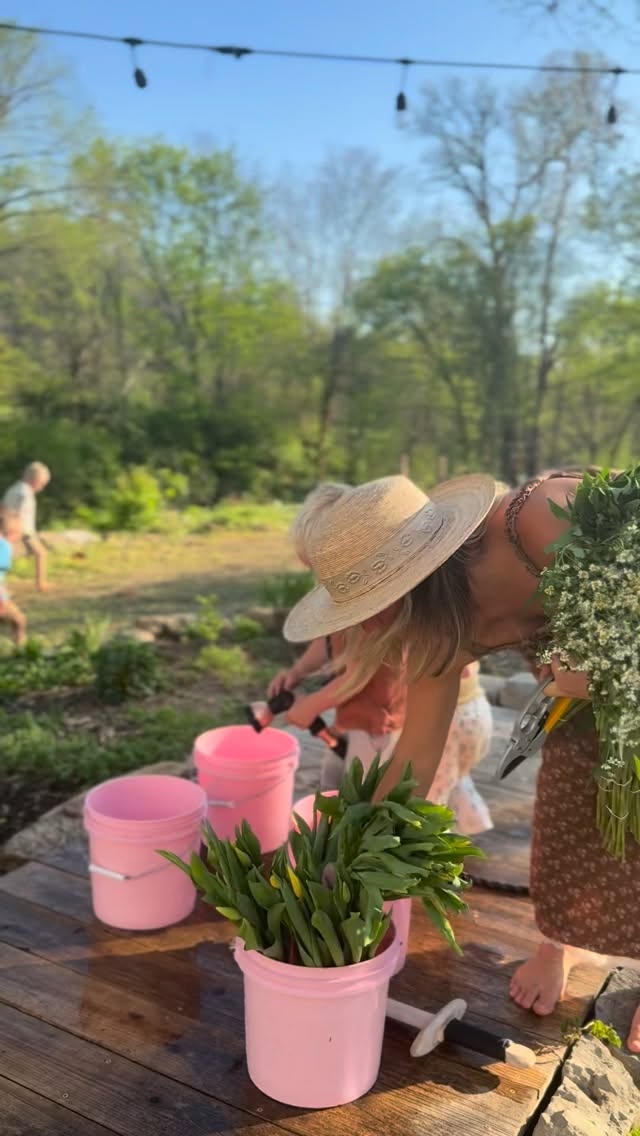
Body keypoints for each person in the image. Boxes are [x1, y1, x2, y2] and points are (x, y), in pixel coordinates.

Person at [282, 471, 640, 1051]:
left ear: (417, 571)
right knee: (572, 808)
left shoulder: (544, 517)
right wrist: (347, 862)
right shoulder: (432, 624)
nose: (364, 624)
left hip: (613, 673)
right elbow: (415, 758)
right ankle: (561, 943)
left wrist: (601, 672)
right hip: (578, 700)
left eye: (368, 602)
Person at [270, 483, 493, 834]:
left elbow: (361, 672)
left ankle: (433, 873)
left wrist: (312, 704)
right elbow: (327, 644)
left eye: (328, 569)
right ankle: (467, 836)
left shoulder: (388, 613)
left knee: (419, 810)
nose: (328, 584)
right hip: (466, 713)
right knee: (447, 784)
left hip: (435, 722)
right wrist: (298, 671)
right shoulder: (368, 594)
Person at [2, 462, 51, 593]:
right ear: (35, 480)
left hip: (22, 530)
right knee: (39, 554)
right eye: (41, 484)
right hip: (19, 530)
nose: (41, 488)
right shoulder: (22, 492)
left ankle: (40, 583)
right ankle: (40, 583)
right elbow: (9, 510)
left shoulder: (18, 490)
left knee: (39, 553)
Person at [0, 511, 27, 645]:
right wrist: (3, 600)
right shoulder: (4, 546)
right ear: (11, 533)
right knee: (19, 620)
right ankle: (19, 647)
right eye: (19, 533)